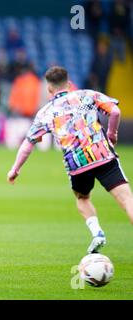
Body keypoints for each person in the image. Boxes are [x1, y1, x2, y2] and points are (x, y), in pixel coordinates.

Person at [7, 66, 133, 254]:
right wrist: (111, 134)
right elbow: (114, 112)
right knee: (126, 199)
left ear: (49, 89)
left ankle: (97, 232)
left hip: (77, 163)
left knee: (82, 198)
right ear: (68, 83)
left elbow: (28, 144)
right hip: (102, 154)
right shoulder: (87, 95)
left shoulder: (46, 112)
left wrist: (15, 169)